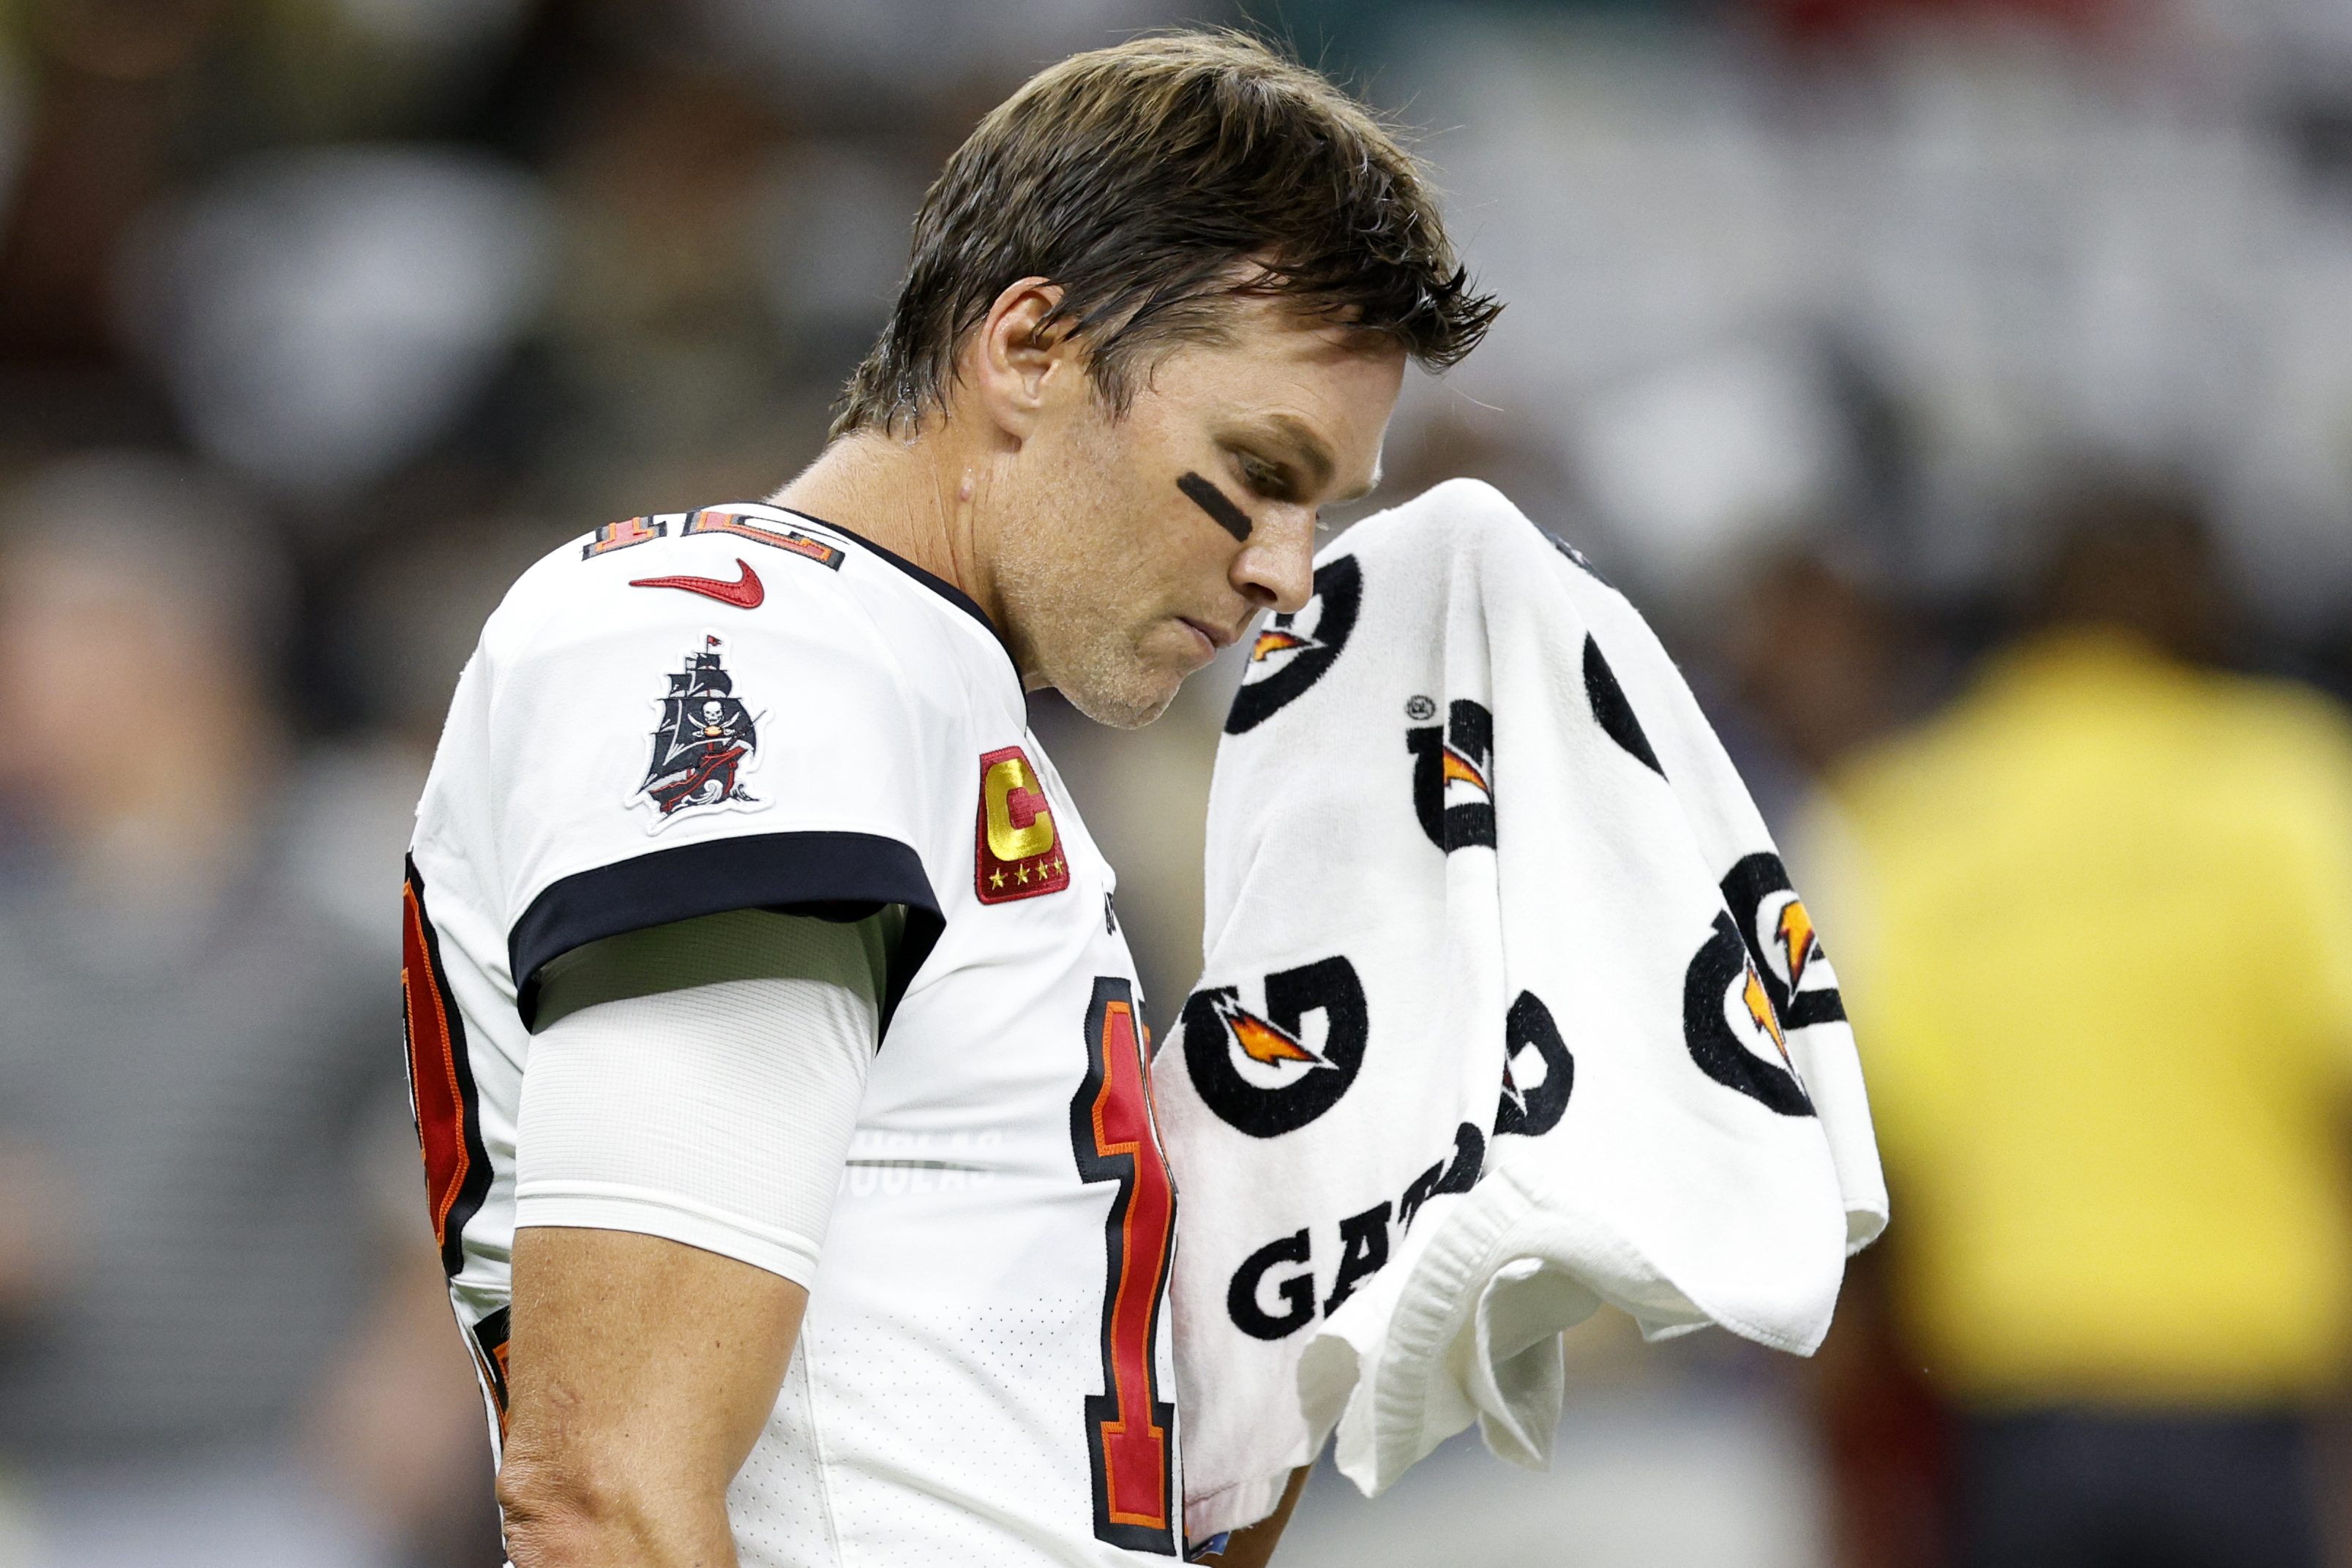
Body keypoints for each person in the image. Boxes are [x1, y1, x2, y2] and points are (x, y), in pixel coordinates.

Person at [404, 31, 1497, 1568]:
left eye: (1320, 507)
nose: (1282, 568)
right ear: (1029, 347)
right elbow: (607, 1495)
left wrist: (1347, 1184)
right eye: (1257, 468)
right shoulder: (746, 642)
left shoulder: (938, 705)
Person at [1808, 480, 2352, 1568]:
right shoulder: (2284, 783)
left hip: (2013, 1409)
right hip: (2245, 1395)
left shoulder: (1900, 815)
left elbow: (1867, 1124)